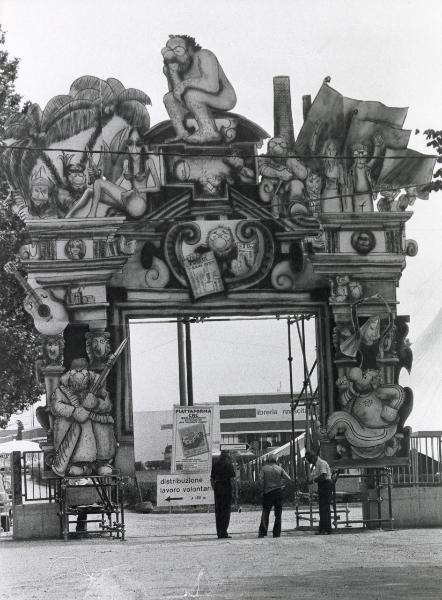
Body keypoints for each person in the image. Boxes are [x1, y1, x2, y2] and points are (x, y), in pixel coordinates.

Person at [162, 35, 237, 143]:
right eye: (168, 51)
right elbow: (176, 94)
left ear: (190, 50)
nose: (174, 55)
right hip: (193, 102)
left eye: (178, 50)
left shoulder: (204, 55)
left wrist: (185, 84)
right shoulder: (170, 67)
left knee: (191, 94)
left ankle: (209, 131)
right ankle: (181, 133)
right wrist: (173, 73)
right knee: (169, 98)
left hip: (222, 98)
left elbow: (212, 86)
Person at [50, 357, 117, 477]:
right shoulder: (61, 391)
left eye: (83, 371)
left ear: (88, 373)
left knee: (102, 426)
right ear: (69, 374)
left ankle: (101, 464)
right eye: (76, 371)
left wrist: (96, 403)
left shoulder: (98, 389)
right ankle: (79, 465)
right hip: (74, 424)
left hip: (94, 424)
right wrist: (73, 411)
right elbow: (56, 406)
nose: (79, 374)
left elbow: (107, 405)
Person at [258, 455, 292, 538]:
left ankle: (263, 532)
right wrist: (282, 485)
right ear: (275, 460)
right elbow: (289, 478)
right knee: (278, 513)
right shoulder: (279, 468)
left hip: (267, 493)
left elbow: (260, 480)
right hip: (278, 492)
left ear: (267, 460)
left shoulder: (264, 468)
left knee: (266, 512)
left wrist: (262, 490)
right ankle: (276, 533)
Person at [305, 450, 333, 535]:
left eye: (311, 460)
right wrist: (310, 480)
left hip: (326, 485)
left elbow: (323, 476)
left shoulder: (322, 463)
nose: (311, 462)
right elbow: (315, 476)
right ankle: (322, 529)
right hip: (322, 486)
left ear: (313, 458)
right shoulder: (316, 465)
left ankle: (327, 529)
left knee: (325, 508)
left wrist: (313, 480)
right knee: (322, 508)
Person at [210, 450, 236, 539]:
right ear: (227, 456)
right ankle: (224, 532)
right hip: (226, 488)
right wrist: (234, 491)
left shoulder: (215, 464)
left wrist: (215, 488)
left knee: (218, 511)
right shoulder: (229, 465)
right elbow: (232, 480)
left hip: (217, 488)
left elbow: (212, 479)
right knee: (225, 511)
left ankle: (219, 532)